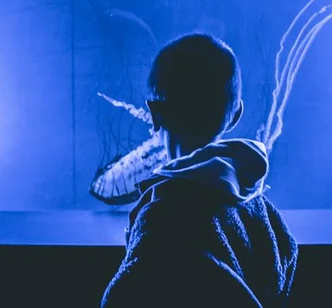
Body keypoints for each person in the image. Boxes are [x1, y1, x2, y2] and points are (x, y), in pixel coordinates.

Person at [100, 33, 299, 307]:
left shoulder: (163, 217)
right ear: (236, 114)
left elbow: (125, 296)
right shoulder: (257, 204)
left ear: (154, 113)